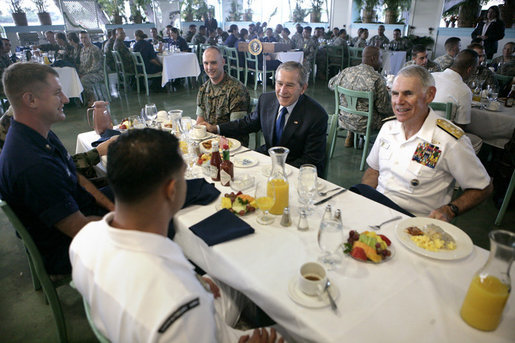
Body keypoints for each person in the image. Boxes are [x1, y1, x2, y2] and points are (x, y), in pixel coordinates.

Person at [69, 129, 283, 343]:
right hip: (206, 330)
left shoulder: (84, 239)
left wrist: (196, 281)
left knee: (235, 269)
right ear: (171, 190)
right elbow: (179, 307)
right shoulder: (180, 306)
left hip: (162, 320)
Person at [0, 63, 114, 275]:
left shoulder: (36, 131)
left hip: (78, 209)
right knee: (158, 217)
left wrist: (112, 207)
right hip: (66, 247)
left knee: (145, 189)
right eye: (57, 93)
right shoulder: (32, 165)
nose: (65, 99)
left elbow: (76, 177)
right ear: (30, 100)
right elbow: (81, 229)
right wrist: (130, 220)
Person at [358, 65, 492, 220]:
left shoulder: (449, 140)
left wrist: (450, 210)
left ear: (429, 95)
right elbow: (373, 171)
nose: (398, 101)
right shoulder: (388, 128)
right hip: (378, 210)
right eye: (395, 94)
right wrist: (364, 204)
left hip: (414, 223)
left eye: (408, 94)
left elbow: (483, 187)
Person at [202, 61, 328, 176]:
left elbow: (310, 160)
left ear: (303, 88)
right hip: (267, 160)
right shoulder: (266, 100)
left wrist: (276, 171)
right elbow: (247, 123)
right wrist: (216, 128)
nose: (282, 91)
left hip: (296, 171)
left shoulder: (316, 115)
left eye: (289, 85)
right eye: (279, 83)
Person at [328, 46, 392, 147]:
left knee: (357, 108)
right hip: (365, 125)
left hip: (344, 119)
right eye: (380, 58)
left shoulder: (346, 71)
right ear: (373, 58)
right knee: (393, 118)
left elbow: (331, 84)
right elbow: (383, 108)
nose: (381, 61)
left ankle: (350, 135)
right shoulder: (377, 79)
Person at [196, 47, 250, 146]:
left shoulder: (236, 89)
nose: (209, 67)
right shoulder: (203, 89)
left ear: (223, 62)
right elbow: (200, 121)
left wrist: (213, 130)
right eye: (206, 63)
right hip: (211, 142)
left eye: (213, 63)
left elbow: (236, 127)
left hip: (232, 145)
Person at [432, 49, 479, 128]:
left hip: (419, 130)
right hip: (442, 135)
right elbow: (461, 126)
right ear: (469, 70)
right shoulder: (464, 91)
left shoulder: (430, 76)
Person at [78, 31, 104, 107]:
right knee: (77, 78)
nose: (83, 40)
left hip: (97, 73)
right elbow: (82, 65)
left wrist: (84, 74)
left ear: (89, 38)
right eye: (81, 38)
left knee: (84, 80)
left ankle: (92, 98)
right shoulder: (83, 50)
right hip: (87, 73)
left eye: (85, 37)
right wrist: (79, 73)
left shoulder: (94, 49)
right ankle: (84, 100)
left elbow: (96, 66)